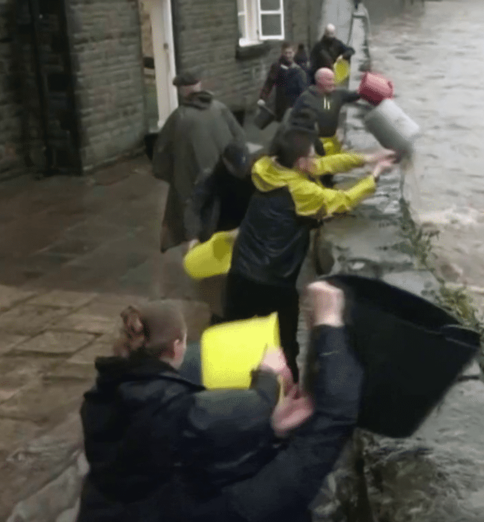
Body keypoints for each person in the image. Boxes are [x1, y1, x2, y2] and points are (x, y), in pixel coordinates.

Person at [75, 281, 363, 522]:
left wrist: (270, 426)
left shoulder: (104, 400)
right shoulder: (247, 500)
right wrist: (328, 322)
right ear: (176, 347)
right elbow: (335, 416)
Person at [223, 130, 395, 383]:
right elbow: (343, 200)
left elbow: (324, 164)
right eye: (311, 156)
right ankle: (287, 392)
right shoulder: (301, 192)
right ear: (301, 163)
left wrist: (368, 158)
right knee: (285, 345)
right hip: (273, 279)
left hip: (240, 271)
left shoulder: (265, 168)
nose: (317, 161)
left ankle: (230, 385)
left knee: (234, 335)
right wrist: (375, 174)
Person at [152, 71, 246, 297]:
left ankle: (210, 279)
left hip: (194, 184)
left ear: (182, 90)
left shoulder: (179, 118)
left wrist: (172, 176)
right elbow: (240, 139)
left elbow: (160, 156)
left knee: (200, 225)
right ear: (200, 85)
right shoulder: (221, 108)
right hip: (228, 183)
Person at [184, 142, 263, 325]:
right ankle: (220, 317)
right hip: (217, 236)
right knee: (218, 284)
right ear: (225, 163)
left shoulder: (257, 177)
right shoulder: (210, 177)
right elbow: (194, 206)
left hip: (244, 234)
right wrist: (193, 236)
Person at [292, 68, 361, 187]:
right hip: (314, 144)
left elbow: (355, 95)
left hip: (332, 142)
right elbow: (295, 123)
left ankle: (330, 187)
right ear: (319, 80)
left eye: (333, 79)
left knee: (332, 171)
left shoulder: (337, 94)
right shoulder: (306, 99)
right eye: (329, 80)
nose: (333, 82)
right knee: (316, 174)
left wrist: (368, 87)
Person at [257, 42, 310, 126]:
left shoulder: (300, 67)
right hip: (282, 103)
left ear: (294, 52)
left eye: (290, 53)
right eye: (286, 53)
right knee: (284, 126)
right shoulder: (277, 67)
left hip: (295, 102)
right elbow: (269, 82)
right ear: (282, 52)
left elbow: (304, 87)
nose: (288, 55)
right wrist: (263, 97)